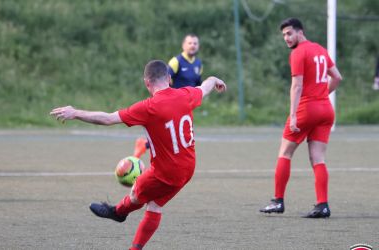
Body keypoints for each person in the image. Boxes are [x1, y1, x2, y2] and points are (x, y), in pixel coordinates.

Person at [50, 60, 226, 249]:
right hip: (188, 167)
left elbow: (108, 118)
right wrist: (215, 78)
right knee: (154, 205)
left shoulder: (149, 107)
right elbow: (205, 86)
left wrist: (75, 112)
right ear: (169, 78)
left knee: (136, 194)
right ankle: (126, 227)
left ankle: (118, 213)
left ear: (146, 83)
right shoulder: (187, 94)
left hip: (165, 172)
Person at [259, 18, 342, 218]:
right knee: (318, 158)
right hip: (326, 110)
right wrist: (322, 94)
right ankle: (322, 205)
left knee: (285, 153)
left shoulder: (299, 52)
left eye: (289, 33)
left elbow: (297, 86)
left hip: (307, 109)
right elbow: (337, 77)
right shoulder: (320, 50)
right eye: (284, 35)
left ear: (300, 32)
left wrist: (294, 115)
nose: (286, 38)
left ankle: (277, 201)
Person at [133, 34, 203, 158]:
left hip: (186, 103)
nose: (192, 45)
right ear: (183, 45)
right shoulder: (176, 62)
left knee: (176, 133)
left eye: (195, 43)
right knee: (172, 132)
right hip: (173, 103)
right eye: (190, 43)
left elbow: (198, 83)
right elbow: (165, 80)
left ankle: (145, 144)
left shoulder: (198, 64)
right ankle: (145, 144)